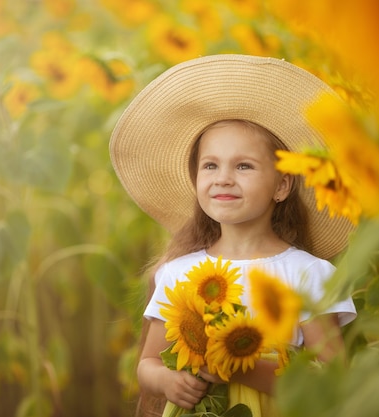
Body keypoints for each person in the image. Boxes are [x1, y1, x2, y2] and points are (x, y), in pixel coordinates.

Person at [109, 54, 357, 417]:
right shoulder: (179, 273)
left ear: (282, 185)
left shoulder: (308, 275)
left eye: (244, 166)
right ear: (196, 180)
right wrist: (168, 382)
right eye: (211, 165)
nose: (223, 177)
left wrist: (243, 367)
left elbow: (332, 378)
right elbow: (148, 364)